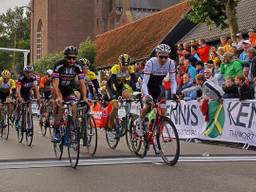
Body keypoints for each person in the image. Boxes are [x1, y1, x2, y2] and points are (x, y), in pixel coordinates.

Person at [136, 44, 177, 136]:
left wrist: (174, 93)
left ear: (168, 56)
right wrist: (146, 95)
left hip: (158, 87)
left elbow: (173, 80)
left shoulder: (171, 63)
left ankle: (156, 131)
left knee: (163, 111)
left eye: (165, 57)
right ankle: (139, 121)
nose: (163, 59)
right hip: (147, 87)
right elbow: (145, 83)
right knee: (148, 106)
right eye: (161, 57)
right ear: (156, 55)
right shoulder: (151, 63)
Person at [52, 45, 88, 142]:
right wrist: (59, 97)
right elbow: (55, 84)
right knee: (60, 106)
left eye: (74, 58)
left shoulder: (78, 65)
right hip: (58, 88)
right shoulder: (59, 65)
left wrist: (85, 97)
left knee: (74, 104)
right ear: (65, 57)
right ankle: (56, 129)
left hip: (68, 89)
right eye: (69, 58)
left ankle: (72, 125)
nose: (72, 60)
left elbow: (82, 83)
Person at [15, 66, 40, 133]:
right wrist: (20, 98)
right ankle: (17, 120)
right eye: (27, 72)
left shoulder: (33, 78)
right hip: (20, 93)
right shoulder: (21, 78)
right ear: (24, 72)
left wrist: (38, 98)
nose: (29, 74)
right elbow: (18, 90)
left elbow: (36, 89)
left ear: (32, 73)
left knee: (29, 107)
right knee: (20, 104)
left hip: (27, 93)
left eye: (30, 72)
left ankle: (29, 126)